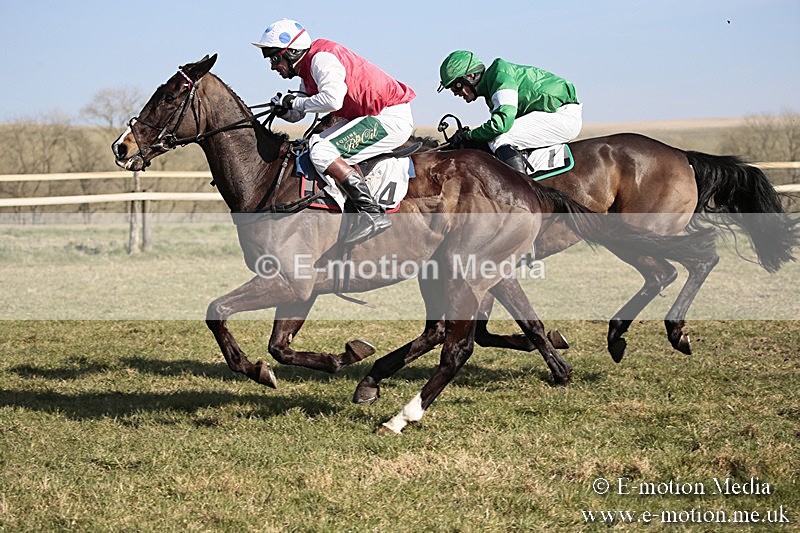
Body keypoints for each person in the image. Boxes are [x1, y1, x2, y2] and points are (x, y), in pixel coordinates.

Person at [253, 19, 416, 246]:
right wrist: (284, 108)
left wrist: (296, 103)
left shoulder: (321, 60)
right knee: (315, 143)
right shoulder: (307, 69)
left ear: (291, 52)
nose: (272, 66)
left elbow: (332, 99)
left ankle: (371, 213)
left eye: (274, 58)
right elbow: (301, 112)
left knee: (321, 152)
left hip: (390, 117)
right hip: (369, 116)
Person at [438, 50, 582, 174]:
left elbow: (501, 125)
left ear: (470, 76)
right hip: (555, 115)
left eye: (456, 87)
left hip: (563, 117)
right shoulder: (491, 87)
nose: (456, 94)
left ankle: (522, 190)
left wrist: (469, 136)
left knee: (500, 138)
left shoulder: (500, 76)